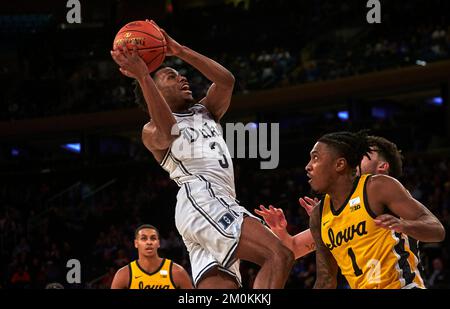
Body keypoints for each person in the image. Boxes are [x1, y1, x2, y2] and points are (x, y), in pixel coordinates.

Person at [110, 20, 294, 289]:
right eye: (171, 76)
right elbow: (169, 130)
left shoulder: (205, 111)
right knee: (279, 254)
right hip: (203, 199)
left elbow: (226, 81)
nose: (182, 77)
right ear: (155, 89)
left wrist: (180, 50)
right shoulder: (151, 130)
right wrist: (143, 76)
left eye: (179, 73)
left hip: (216, 203)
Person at [307, 131, 445, 288]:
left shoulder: (377, 187)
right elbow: (325, 280)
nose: (308, 166)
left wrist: (404, 225)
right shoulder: (319, 214)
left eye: (315, 158)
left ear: (340, 164)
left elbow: (437, 230)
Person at [255, 135, 406, 259]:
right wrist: (280, 230)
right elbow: (293, 249)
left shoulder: (390, 194)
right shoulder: (338, 206)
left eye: (363, 156)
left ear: (382, 166)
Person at [111, 224, 193, 289]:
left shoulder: (177, 272)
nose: (149, 242)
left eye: (153, 238)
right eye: (144, 238)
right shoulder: (124, 275)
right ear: (136, 243)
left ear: (158, 243)